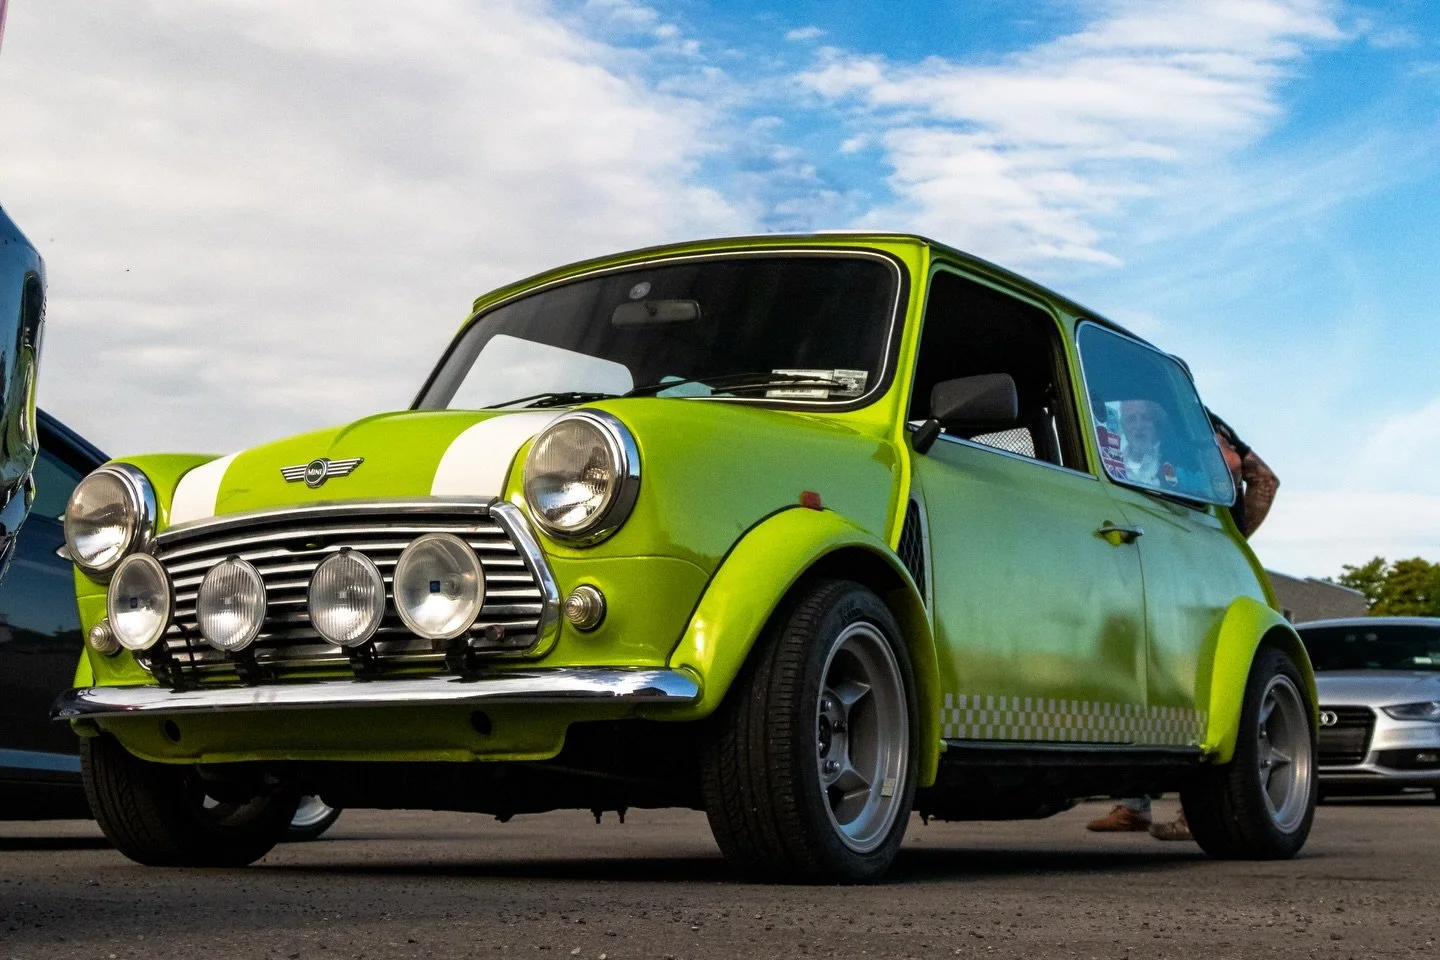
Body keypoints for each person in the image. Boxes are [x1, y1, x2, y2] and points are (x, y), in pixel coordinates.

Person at [1085, 410, 1279, 839]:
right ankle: (1134, 804)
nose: (1135, 423)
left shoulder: (1199, 433)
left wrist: (1235, 537)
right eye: (1129, 417)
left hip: (1190, 567)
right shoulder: (1109, 444)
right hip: (1139, 562)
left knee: (1190, 677)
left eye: (1145, 418)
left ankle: (1204, 811)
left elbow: (1263, 479)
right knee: (1134, 673)